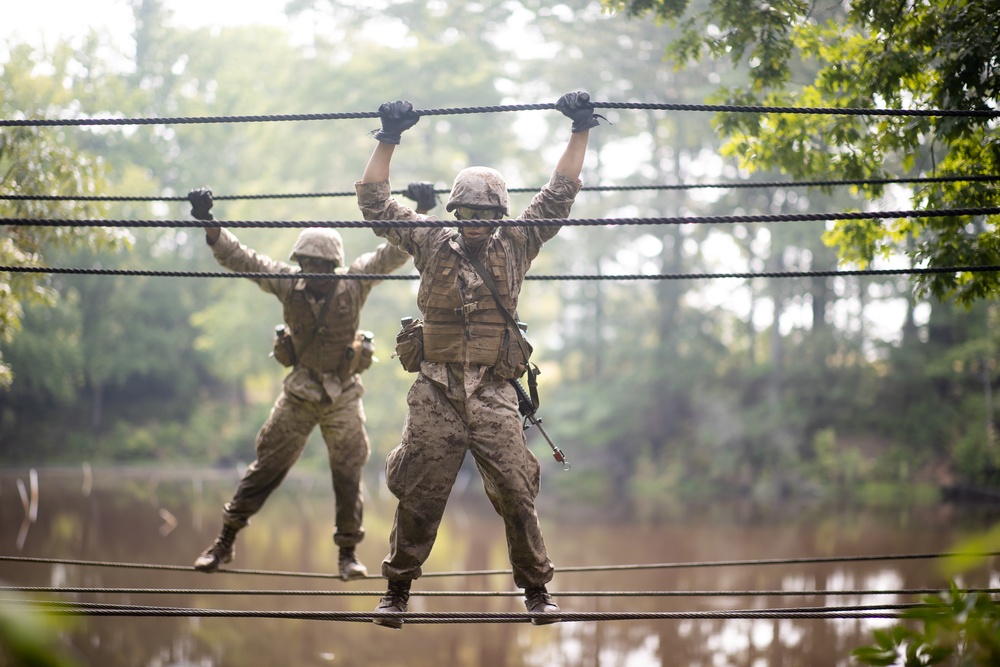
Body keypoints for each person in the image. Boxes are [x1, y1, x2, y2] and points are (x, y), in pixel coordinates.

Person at [355, 91, 599, 627]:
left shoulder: (516, 243)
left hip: (493, 389)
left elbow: (559, 195)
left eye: (485, 216)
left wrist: (580, 129)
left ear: (499, 216)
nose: (474, 224)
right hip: (436, 390)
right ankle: (396, 590)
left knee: (516, 489)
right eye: (466, 213)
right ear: (453, 212)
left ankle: (537, 591)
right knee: (420, 493)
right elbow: (375, 202)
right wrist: (388, 137)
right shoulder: (428, 241)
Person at [185, 187, 422, 580]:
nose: (312, 270)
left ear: (334, 267)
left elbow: (392, 254)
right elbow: (242, 259)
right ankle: (224, 542)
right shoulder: (285, 282)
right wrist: (209, 223)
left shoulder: (355, 282)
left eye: (320, 265)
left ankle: (348, 553)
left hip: (343, 394)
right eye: (307, 262)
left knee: (348, 472)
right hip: (300, 391)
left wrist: (421, 211)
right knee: (267, 467)